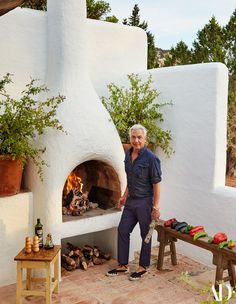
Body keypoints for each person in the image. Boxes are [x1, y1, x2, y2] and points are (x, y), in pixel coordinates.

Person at [106, 124, 162, 281]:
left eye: (139, 137)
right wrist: (124, 195)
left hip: (145, 202)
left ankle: (143, 267)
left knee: (145, 235)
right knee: (123, 230)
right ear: (129, 138)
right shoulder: (128, 154)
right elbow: (130, 179)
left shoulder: (151, 159)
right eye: (133, 137)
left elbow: (156, 184)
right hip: (131, 202)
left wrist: (155, 207)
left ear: (145, 139)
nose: (136, 140)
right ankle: (122, 265)